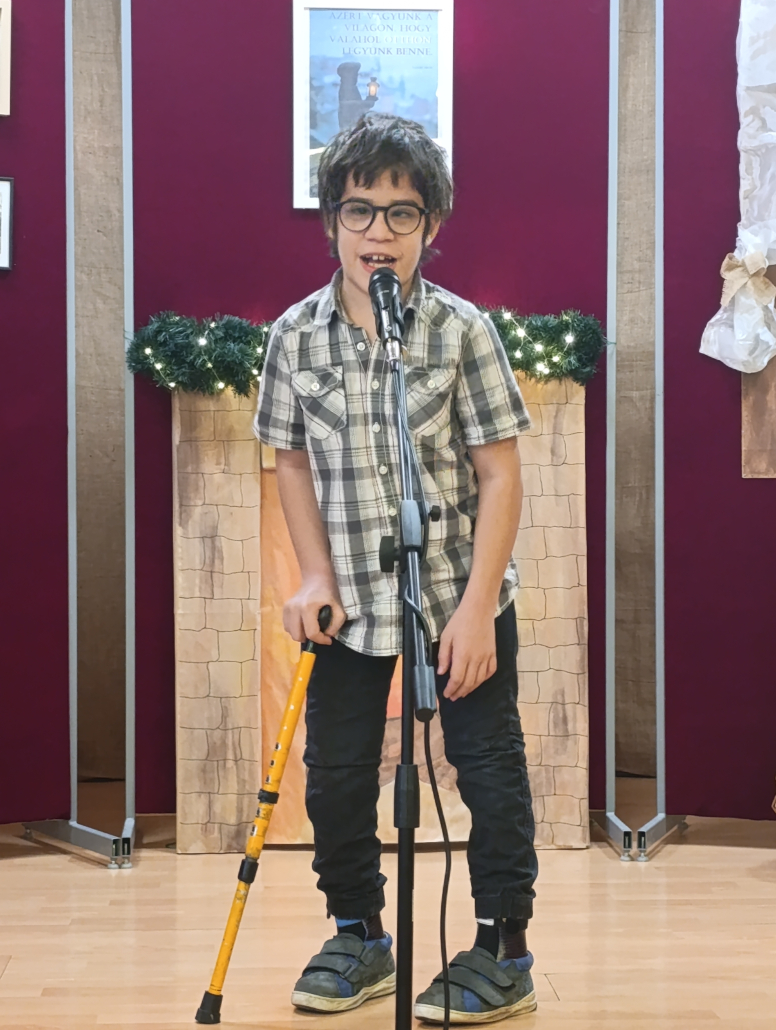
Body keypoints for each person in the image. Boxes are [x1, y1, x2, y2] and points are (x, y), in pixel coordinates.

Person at [253, 112, 538, 1024]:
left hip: (457, 593)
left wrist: (477, 608)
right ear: (332, 220)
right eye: (360, 210)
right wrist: (313, 575)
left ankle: (503, 947)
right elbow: (290, 461)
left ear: (432, 224)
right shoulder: (293, 337)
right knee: (336, 774)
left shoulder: (462, 331)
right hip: (348, 605)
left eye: (402, 213)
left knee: (487, 768)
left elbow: (499, 474)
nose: (379, 232)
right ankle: (360, 934)